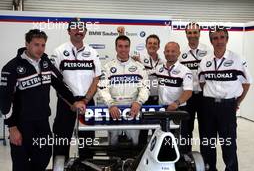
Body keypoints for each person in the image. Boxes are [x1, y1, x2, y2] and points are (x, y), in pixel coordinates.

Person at [0, 29, 86, 171]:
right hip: (21, 124)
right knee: (20, 163)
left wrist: (74, 101)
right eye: (36, 44)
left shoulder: (45, 63)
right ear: (27, 44)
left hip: (42, 122)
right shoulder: (12, 67)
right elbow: (4, 99)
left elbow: (60, 85)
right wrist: (12, 127)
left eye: (43, 45)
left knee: (44, 156)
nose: (40, 49)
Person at [198, 26, 252, 171]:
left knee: (228, 143)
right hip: (208, 106)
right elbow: (202, 82)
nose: (219, 41)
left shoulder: (237, 59)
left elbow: (247, 83)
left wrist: (237, 102)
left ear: (227, 39)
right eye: (215, 38)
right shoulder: (204, 61)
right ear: (211, 41)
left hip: (228, 107)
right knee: (207, 142)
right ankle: (210, 168)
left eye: (222, 37)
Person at [51, 18, 102, 160]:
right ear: (69, 31)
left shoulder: (93, 52)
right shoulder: (59, 52)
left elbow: (96, 79)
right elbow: (56, 81)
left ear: (85, 32)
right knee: (62, 139)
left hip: (88, 102)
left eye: (81, 28)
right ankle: (60, 168)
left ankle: (86, 167)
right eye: (75, 28)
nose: (78, 31)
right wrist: (71, 102)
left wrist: (85, 100)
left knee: (88, 141)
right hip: (67, 102)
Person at [97, 35, 149, 146]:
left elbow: (145, 87)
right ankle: (113, 163)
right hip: (114, 109)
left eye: (126, 46)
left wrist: (139, 102)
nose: (123, 49)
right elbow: (102, 88)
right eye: (120, 46)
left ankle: (133, 163)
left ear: (129, 48)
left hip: (133, 109)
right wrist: (110, 104)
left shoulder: (139, 67)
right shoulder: (107, 67)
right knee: (113, 144)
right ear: (116, 48)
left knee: (135, 143)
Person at [155, 41, 193, 153]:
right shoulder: (159, 68)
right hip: (162, 109)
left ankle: (181, 162)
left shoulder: (185, 71)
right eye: (167, 51)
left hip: (178, 109)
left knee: (179, 140)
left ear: (179, 53)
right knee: (162, 137)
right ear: (164, 52)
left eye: (173, 51)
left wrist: (176, 103)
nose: (170, 53)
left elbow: (188, 92)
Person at [178, 22, 210, 152]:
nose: (192, 35)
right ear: (186, 34)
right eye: (189, 33)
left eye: (195, 32)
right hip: (188, 96)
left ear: (199, 33)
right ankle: (186, 156)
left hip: (205, 95)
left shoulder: (209, 51)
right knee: (186, 128)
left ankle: (206, 158)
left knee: (206, 128)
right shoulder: (181, 54)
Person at [132, 34, 165, 148]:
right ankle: (140, 154)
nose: (152, 45)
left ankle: (156, 152)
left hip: (158, 99)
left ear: (158, 46)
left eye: (155, 43)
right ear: (146, 45)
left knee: (157, 128)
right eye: (150, 43)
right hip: (144, 99)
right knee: (143, 129)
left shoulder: (163, 62)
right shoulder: (138, 59)